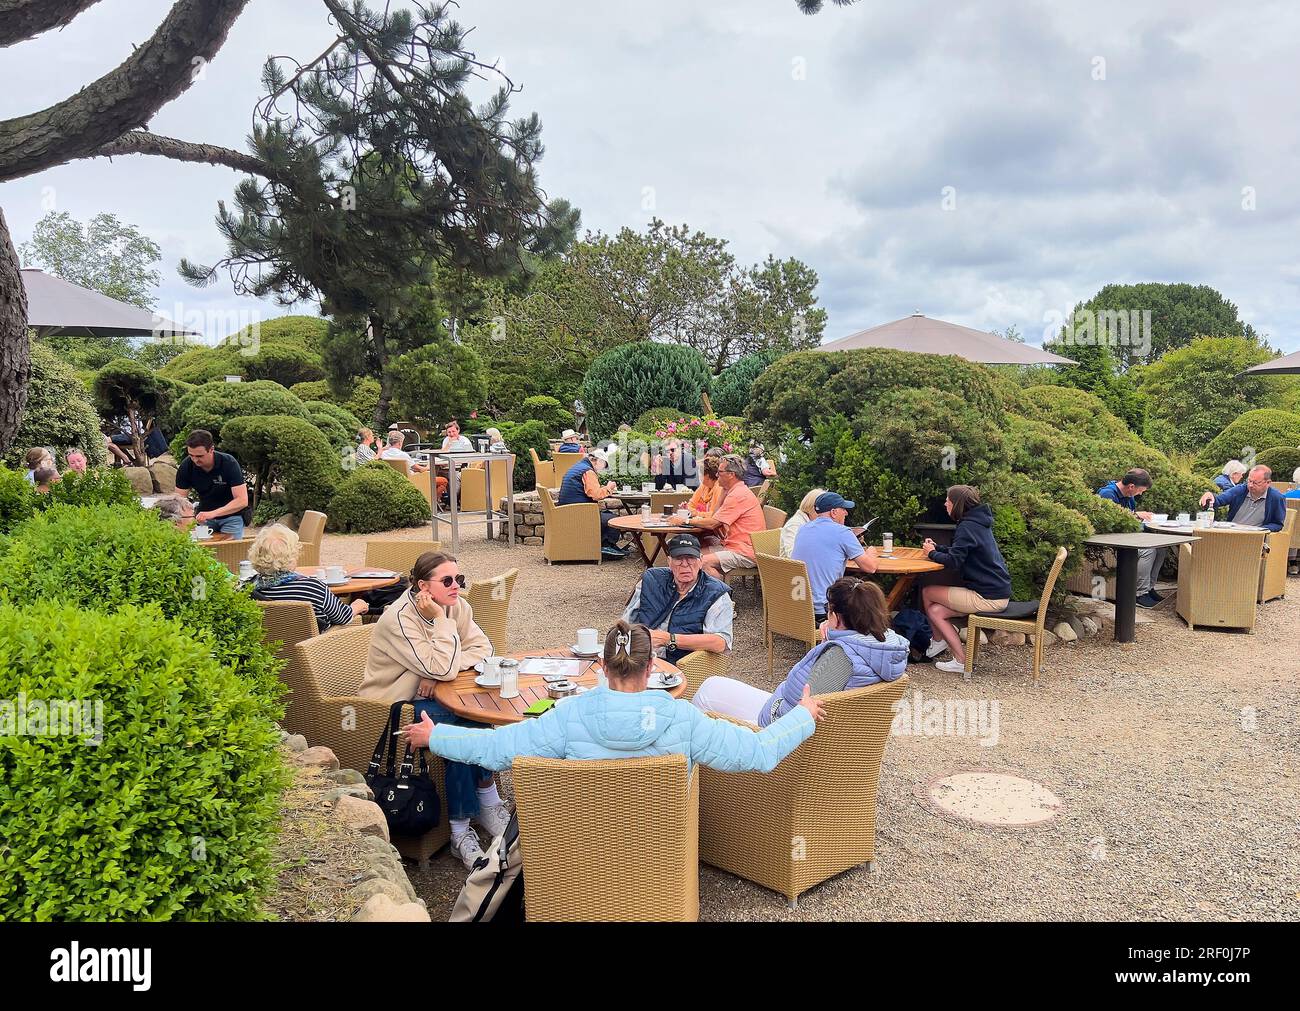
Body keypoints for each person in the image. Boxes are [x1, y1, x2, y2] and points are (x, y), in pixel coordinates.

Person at [401, 619, 825, 812]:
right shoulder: (682, 719)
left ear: (601, 669)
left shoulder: (567, 716)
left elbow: (495, 749)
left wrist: (435, 736)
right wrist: (803, 714)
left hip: (580, 844)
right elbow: (759, 752)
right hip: (659, 843)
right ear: (651, 669)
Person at [357, 551, 497, 868]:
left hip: (429, 696)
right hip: (392, 706)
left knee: (465, 721)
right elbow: (444, 668)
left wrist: (432, 674)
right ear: (423, 586)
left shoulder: (457, 604)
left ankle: (473, 816)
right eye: (447, 580)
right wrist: (441, 628)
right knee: (460, 726)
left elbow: (484, 648)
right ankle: (476, 814)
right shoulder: (400, 618)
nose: (456, 587)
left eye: (459, 579)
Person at [693, 578, 907, 724]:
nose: (826, 616)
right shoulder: (883, 645)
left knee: (700, 706)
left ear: (838, 617)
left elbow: (804, 715)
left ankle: (697, 777)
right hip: (787, 709)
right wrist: (833, 637)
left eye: (828, 611)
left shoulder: (839, 660)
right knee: (710, 685)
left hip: (776, 731)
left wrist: (832, 645)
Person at [920, 485, 1012, 675]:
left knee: (927, 592)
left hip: (987, 597)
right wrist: (938, 549)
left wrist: (932, 554)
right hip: (996, 593)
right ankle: (957, 657)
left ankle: (941, 644)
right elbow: (961, 552)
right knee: (936, 611)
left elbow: (954, 561)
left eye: (948, 500)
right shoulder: (977, 523)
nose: (945, 503)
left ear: (956, 504)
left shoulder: (967, 527)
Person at [621, 534, 733, 664]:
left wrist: (670, 639)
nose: (685, 564)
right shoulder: (651, 580)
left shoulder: (715, 593)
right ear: (669, 562)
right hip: (641, 657)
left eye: (691, 558)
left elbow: (720, 642)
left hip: (682, 664)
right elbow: (627, 622)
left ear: (701, 561)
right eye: (679, 559)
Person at [247, 524, 367, 631]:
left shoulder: (247, 589)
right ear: (290, 558)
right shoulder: (312, 587)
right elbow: (343, 617)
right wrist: (358, 605)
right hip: (316, 651)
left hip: (266, 652)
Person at [791, 492, 879, 626]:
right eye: (843, 509)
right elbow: (870, 567)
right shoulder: (843, 532)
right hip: (825, 610)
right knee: (865, 597)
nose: (846, 513)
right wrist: (872, 552)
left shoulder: (803, 529)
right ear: (833, 512)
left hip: (797, 604)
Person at [1097, 468, 1165, 608]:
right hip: (1111, 538)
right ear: (1131, 486)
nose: (1140, 494)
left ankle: (1149, 588)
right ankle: (1139, 593)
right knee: (1148, 550)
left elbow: (1131, 517)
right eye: (1141, 491)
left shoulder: (1129, 496)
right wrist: (1136, 516)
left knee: (1161, 549)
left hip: (1129, 536)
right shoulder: (1107, 494)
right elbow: (1111, 520)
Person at [690, 454, 765, 578]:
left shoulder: (738, 495)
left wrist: (687, 521)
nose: (717, 475)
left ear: (731, 474)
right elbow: (715, 516)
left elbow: (712, 523)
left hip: (745, 551)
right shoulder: (733, 490)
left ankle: (721, 595)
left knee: (700, 562)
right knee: (691, 555)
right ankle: (703, 592)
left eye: (720, 472)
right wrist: (723, 491)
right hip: (734, 546)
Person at [174, 430, 249, 539]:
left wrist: (213, 513)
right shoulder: (186, 466)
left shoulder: (229, 463)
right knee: (201, 550)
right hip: (203, 517)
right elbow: (179, 499)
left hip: (232, 516)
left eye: (199, 456)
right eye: (191, 455)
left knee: (231, 551)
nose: (195, 460)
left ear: (211, 450)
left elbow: (242, 500)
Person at [557, 446, 625, 558]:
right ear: (597, 460)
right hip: (579, 514)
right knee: (613, 519)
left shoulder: (579, 467)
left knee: (607, 514)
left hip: (568, 512)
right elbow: (595, 495)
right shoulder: (588, 471)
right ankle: (606, 547)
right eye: (604, 465)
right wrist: (609, 488)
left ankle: (608, 546)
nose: (603, 469)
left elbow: (590, 490)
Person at [1198, 464, 1286, 532]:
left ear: (1268, 483)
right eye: (1249, 481)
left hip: (1256, 538)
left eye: (1255, 483)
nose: (1250, 485)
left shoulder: (1276, 498)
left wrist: (1260, 530)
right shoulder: (1240, 490)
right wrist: (1210, 496)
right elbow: (1220, 500)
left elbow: (1277, 524)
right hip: (1231, 533)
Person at [780, 487, 825, 557]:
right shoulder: (795, 525)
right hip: (792, 567)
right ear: (814, 508)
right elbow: (792, 554)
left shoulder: (814, 521)